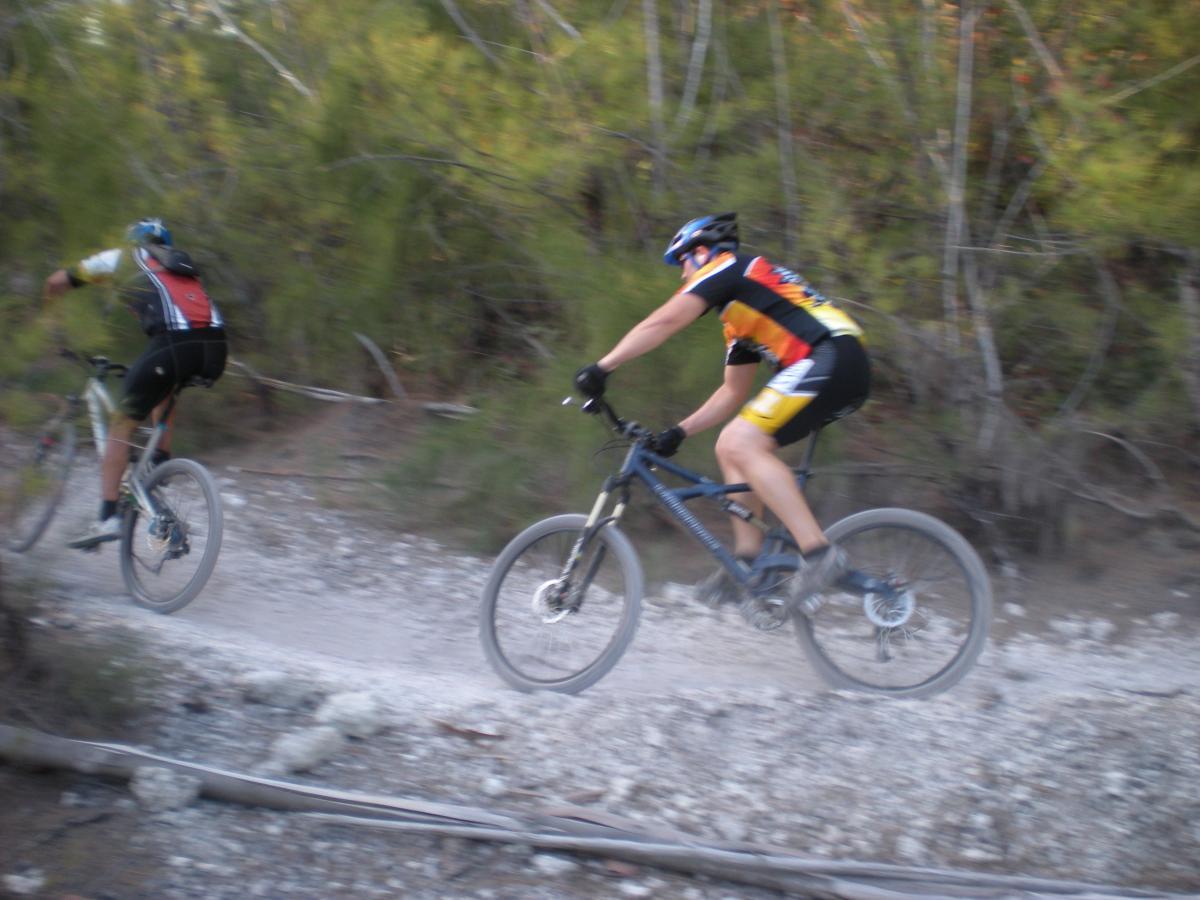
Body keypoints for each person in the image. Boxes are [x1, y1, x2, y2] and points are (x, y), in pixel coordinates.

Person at [573, 212, 870, 606]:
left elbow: (665, 321)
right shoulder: (740, 314)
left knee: (743, 443)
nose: (682, 277)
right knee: (730, 443)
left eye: (683, 263)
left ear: (702, 252)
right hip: (837, 364)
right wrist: (678, 433)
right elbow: (732, 393)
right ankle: (749, 564)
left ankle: (818, 554)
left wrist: (603, 366)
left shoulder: (731, 267)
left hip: (830, 355)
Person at [42, 218, 228, 549]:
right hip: (214, 350)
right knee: (164, 382)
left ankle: (108, 516)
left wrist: (50, 320)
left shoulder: (122, 258)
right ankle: (160, 463)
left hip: (173, 345)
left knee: (122, 423)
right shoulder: (181, 269)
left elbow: (59, 280)